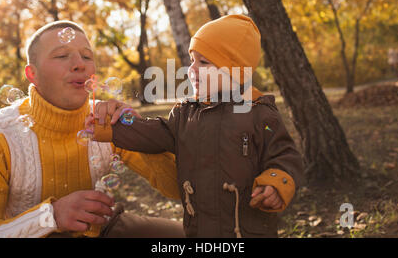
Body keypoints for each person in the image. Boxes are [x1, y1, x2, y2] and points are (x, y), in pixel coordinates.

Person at [90, 15, 304, 238]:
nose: (192, 68)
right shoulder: (185, 112)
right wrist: (113, 128)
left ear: (234, 69)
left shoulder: (260, 115)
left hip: (247, 231)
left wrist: (277, 184)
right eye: (192, 60)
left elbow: (284, 155)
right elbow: (155, 133)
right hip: (199, 228)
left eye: (204, 62)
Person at [0, 20, 184, 238]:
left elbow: (178, 189)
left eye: (87, 56)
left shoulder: (106, 122)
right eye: (61, 56)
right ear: (32, 74)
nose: (79, 64)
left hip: (101, 229)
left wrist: (140, 134)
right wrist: (51, 216)